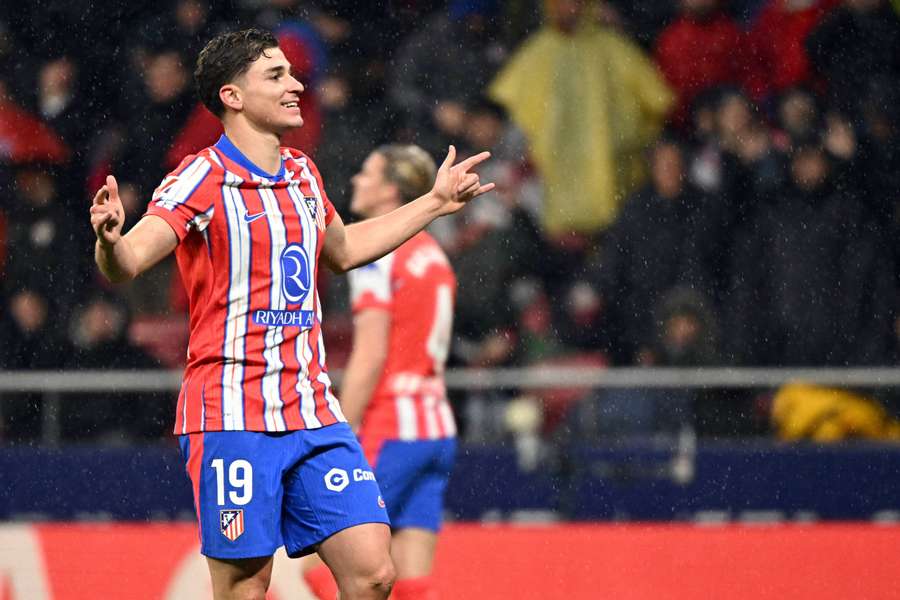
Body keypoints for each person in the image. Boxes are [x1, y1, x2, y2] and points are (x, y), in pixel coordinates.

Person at [89, 28, 492, 600]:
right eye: (275, 76)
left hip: (311, 410)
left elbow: (345, 249)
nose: (296, 85)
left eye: (291, 74)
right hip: (232, 411)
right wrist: (109, 239)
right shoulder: (202, 175)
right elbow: (127, 261)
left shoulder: (303, 172)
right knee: (247, 587)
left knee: (375, 572)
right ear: (231, 96)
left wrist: (433, 202)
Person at [303, 144, 457, 600]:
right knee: (411, 578)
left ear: (390, 190)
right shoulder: (432, 253)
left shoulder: (374, 251)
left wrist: (342, 428)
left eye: (367, 173)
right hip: (435, 427)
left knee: (314, 552)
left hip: (391, 424)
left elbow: (371, 351)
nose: (356, 181)